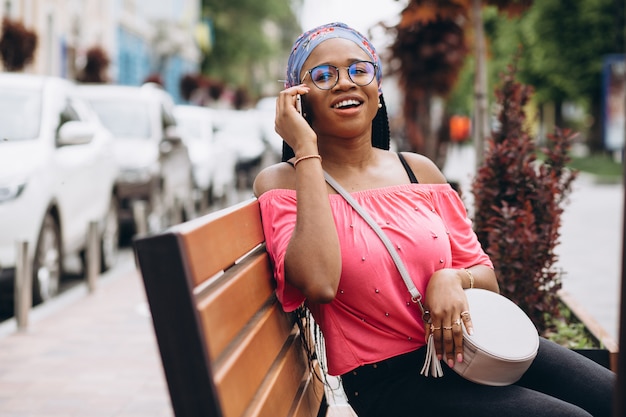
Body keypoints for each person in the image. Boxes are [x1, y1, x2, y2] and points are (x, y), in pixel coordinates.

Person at [253, 22, 615, 417]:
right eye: (323, 76)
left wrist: (452, 278)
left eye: (359, 69)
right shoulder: (284, 181)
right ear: (298, 101)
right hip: (393, 380)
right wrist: (306, 149)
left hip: (477, 349)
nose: (345, 83)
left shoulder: (418, 171)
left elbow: (486, 277)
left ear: (377, 93)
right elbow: (319, 284)